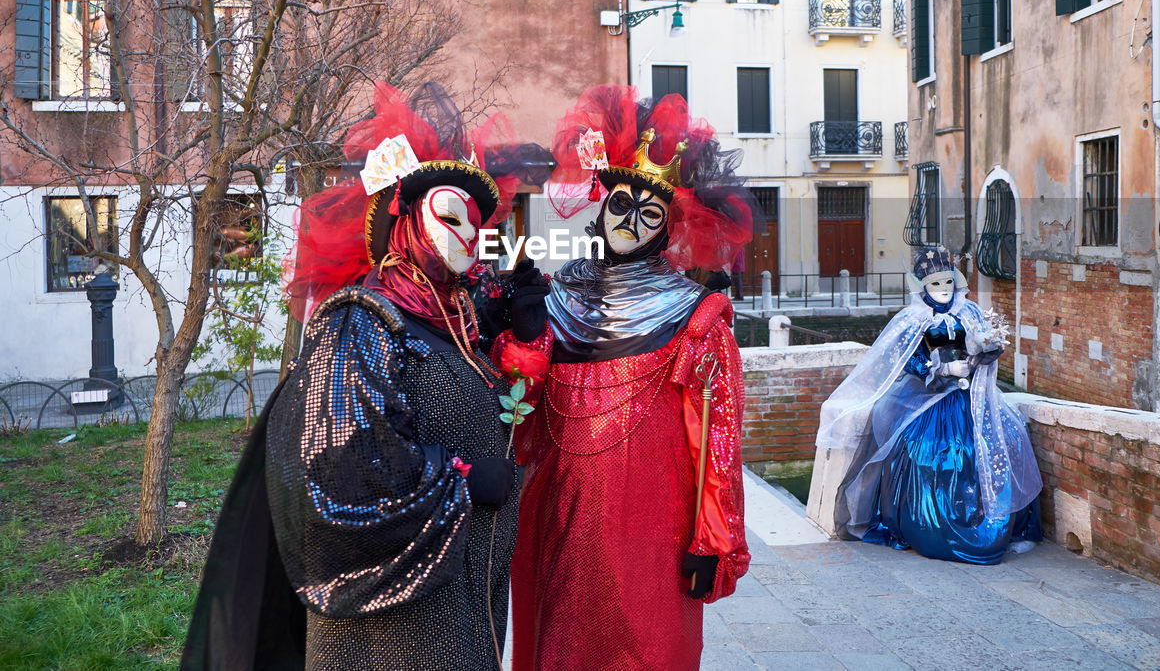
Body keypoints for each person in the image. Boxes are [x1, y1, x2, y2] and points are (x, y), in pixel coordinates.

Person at [182, 81, 543, 671]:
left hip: (468, 605)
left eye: (476, 223)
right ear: (402, 221)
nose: (468, 235)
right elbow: (342, 470)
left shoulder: (456, 321)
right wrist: (464, 482)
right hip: (394, 631)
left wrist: (512, 326)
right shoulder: (360, 322)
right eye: (450, 215)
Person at [493, 85, 754, 670]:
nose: (630, 222)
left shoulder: (696, 316)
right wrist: (521, 336)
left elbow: (718, 440)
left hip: (652, 534)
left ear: (667, 229)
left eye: (650, 212)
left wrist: (714, 539)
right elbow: (520, 410)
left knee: (646, 648)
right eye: (620, 205)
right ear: (601, 204)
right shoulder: (558, 297)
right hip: (559, 519)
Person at [815, 246, 1042, 565]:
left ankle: (990, 520)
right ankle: (929, 526)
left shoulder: (970, 312)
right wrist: (942, 369)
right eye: (936, 284)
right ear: (922, 286)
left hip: (967, 396)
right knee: (927, 451)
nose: (944, 290)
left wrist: (978, 358)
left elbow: (987, 348)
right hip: (926, 398)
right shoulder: (912, 319)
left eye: (948, 283)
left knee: (1006, 438)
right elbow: (902, 358)